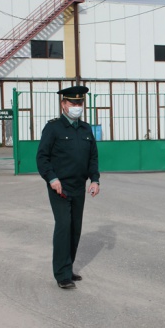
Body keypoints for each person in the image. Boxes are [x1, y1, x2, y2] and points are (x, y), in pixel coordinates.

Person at [36, 85, 100, 289]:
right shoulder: (53, 128)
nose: (76, 106)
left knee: (75, 229)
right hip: (60, 187)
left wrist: (95, 179)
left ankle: (68, 266)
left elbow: (93, 157)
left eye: (79, 103)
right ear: (63, 104)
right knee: (64, 226)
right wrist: (52, 179)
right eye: (72, 102)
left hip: (78, 186)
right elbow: (42, 157)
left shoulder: (86, 128)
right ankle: (62, 275)